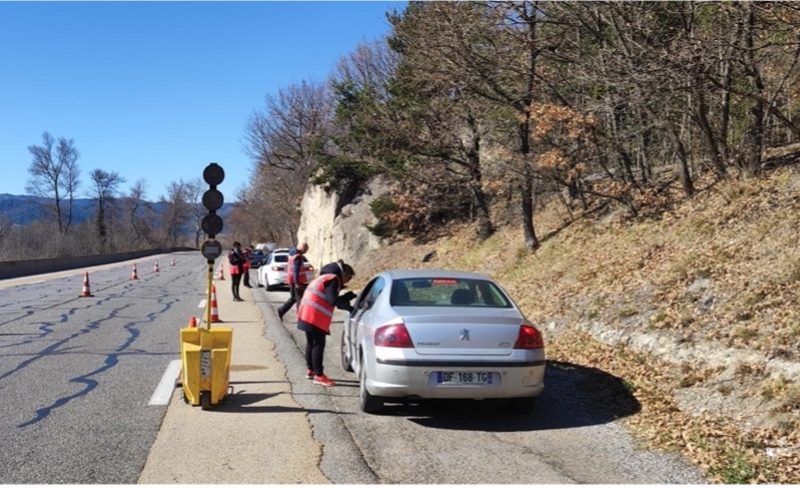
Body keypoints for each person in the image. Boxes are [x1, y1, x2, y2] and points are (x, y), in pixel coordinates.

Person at [296, 259, 357, 387]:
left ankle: (311, 370)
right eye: (349, 278)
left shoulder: (324, 277)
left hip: (306, 313)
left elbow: (331, 300)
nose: (348, 281)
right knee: (318, 345)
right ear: (344, 273)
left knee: (311, 343)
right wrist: (347, 298)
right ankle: (319, 375)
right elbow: (332, 300)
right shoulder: (333, 279)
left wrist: (349, 308)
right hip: (315, 316)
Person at [277, 242, 310, 321]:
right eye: (306, 249)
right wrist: (297, 283)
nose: (306, 251)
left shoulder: (292, 254)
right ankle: (301, 318)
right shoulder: (298, 257)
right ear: (303, 248)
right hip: (297, 281)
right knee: (299, 300)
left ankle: (281, 310)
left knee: (293, 298)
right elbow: (296, 270)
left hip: (291, 280)